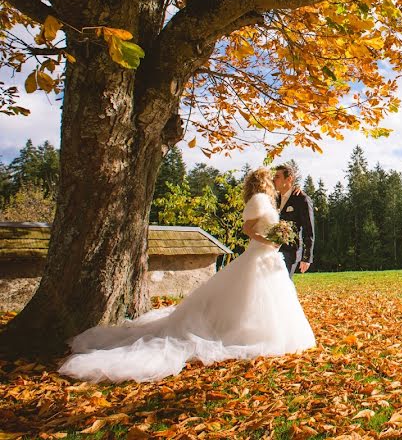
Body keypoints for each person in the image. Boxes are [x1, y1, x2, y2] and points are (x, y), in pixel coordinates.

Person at [58, 168, 316, 383]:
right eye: (271, 179)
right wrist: (269, 240)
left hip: (269, 257)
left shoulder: (270, 200)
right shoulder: (259, 199)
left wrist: (276, 239)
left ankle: (262, 331)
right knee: (253, 296)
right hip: (261, 254)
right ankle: (247, 333)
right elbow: (248, 229)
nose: (274, 182)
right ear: (263, 182)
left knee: (269, 297)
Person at [273, 163, 315, 274]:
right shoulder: (274, 199)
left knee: (283, 283)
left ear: (289, 179)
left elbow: (308, 229)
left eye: (277, 177)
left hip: (290, 251)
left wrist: (307, 257)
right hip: (271, 250)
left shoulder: (301, 199)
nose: (273, 179)